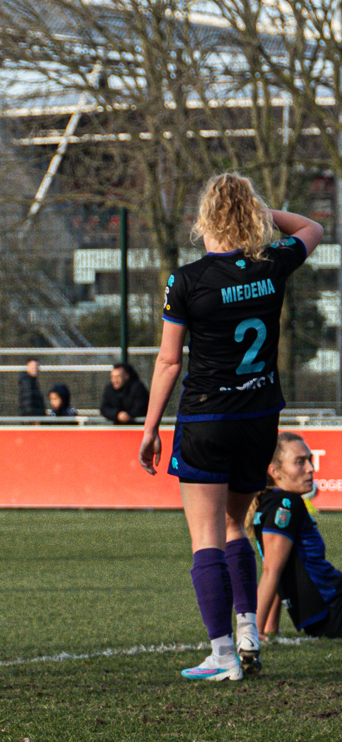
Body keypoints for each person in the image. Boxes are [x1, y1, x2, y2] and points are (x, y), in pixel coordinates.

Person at [138, 172, 322, 681]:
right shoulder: (274, 264)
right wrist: (263, 212)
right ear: (252, 216)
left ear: (203, 222)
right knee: (235, 525)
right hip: (260, 418)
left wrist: (151, 428)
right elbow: (311, 226)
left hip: (207, 419)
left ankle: (221, 654)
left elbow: (169, 362)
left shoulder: (188, 279)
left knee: (205, 539)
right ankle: (247, 635)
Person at [251, 433, 342, 639]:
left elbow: (281, 568)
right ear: (275, 472)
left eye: (309, 460)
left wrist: (270, 626)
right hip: (333, 608)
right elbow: (271, 570)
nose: (311, 468)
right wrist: (253, 632)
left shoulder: (272, 502)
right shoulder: (287, 504)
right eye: (299, 462)